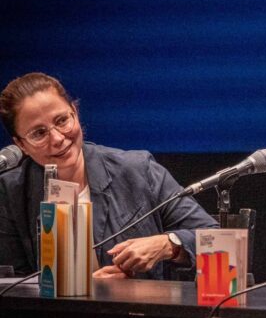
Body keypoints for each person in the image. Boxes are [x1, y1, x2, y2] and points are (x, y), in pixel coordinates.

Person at [0, 72, 219, 279]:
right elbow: (12, 284)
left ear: (75, 113)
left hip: (140, 313)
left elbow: (216, 239)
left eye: (62, 121)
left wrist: (169, 245)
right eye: (39, 133)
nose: (57, 138)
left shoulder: (137, 170)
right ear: (21, 145)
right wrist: (89, 287)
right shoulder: (11, 191)